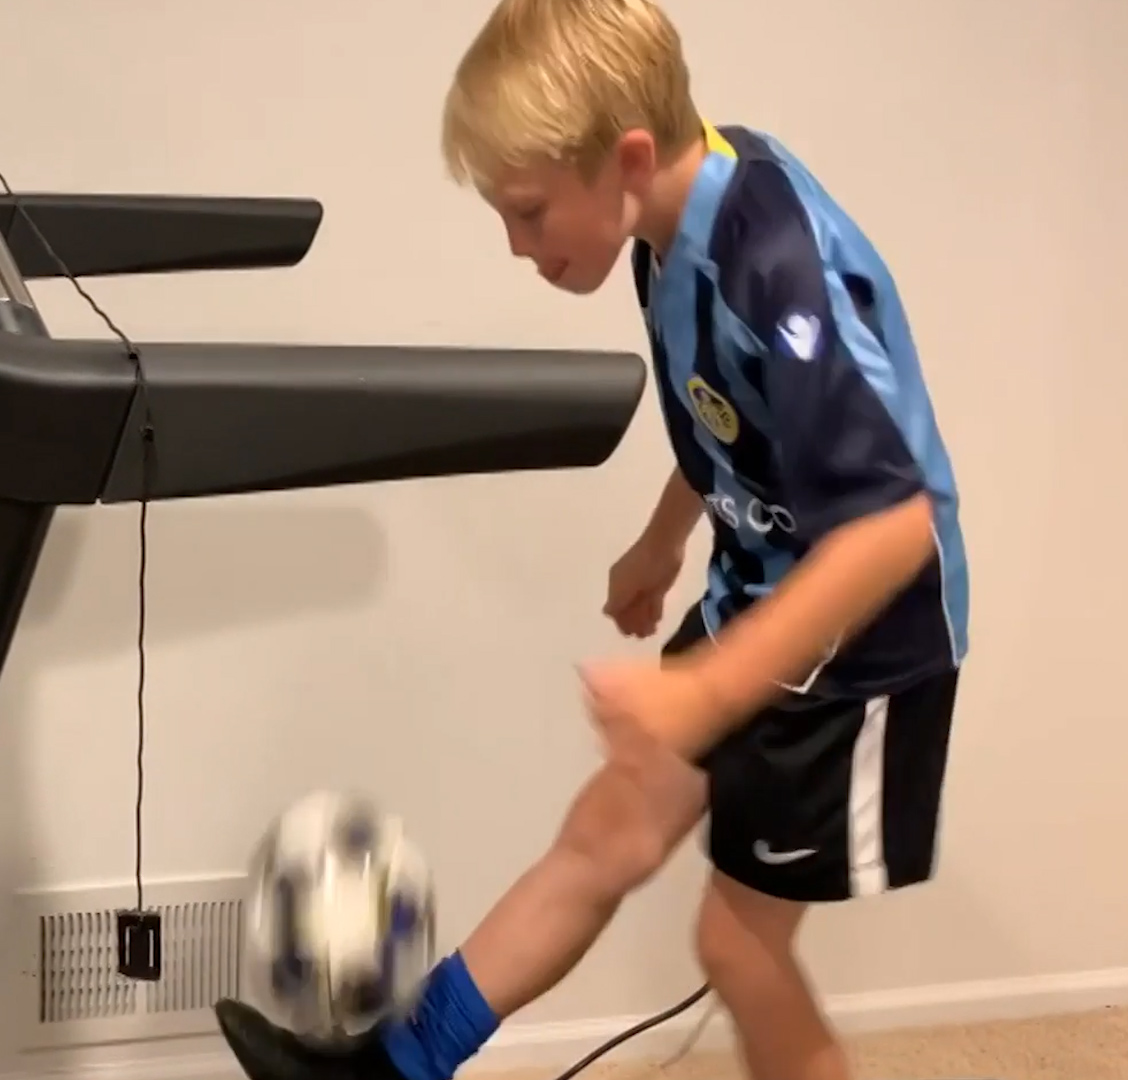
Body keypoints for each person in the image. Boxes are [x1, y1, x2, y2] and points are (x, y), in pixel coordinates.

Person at [211, 3, 968, 1080]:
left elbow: (894, 523)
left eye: (526, 212)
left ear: (627, 157)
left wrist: (708, 694)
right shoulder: (665, 237)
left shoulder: (778, 265)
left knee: (735, 944)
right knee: (604, 834)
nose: (517, 246)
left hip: (860, 652)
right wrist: (664, 542)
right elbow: (736, 422)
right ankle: (391, 1071)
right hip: (761, 602)